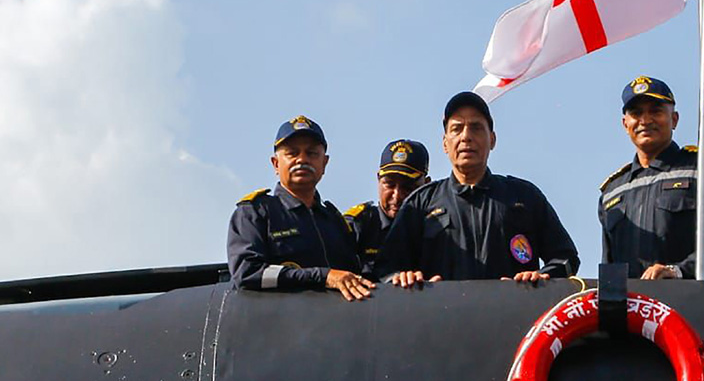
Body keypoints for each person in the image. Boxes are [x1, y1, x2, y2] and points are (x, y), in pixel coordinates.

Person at [374, 91, 579, 286]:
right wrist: (403, 280)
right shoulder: (420, 204)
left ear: (492, 140)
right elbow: (385, 270)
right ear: (445, 144)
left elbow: (566, 258)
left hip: (514, 310)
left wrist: (543, 278)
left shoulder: (523, 197)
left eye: (476, 127)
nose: (466, 137)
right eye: (457, 129)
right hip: (441, 311)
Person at [598, 76, 704, 281]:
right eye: (636, 113)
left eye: (655, 111)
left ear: (674, 119)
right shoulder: (613, 191)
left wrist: (678, 271)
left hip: (693, 297)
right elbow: (609, 269)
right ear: (625, 124)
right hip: (632, 301)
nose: (645, 121)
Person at [227, 115, 375, 301]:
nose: (302, 159)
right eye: (292, 153)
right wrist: (323, 277)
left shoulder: (335, 221)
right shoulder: (255, 214)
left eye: (312, 153)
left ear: (324, 163)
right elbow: (247, 273)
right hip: (279, 317)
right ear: (275, 164)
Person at [343, 140, 431, 269]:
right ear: (378, 179)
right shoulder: (358, 225)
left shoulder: (436, 229)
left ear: (426, 185)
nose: (397, 195)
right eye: (389, 185)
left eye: (408, 187)